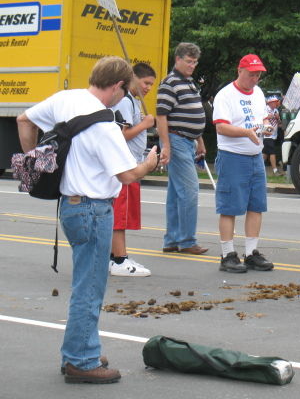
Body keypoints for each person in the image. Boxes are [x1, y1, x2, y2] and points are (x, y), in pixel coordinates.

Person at [16, 56, 159, 383]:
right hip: (94, 209)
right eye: (126, 91)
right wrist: (149, 164)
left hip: (70, 205)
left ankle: (82, 348)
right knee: (89, 288)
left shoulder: (66, 99)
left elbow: (24, 120)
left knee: (86, 283)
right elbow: (126, 175)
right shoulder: (105, 126)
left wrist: (34, 163)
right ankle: (81, 360)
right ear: (119, 87)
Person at [212, 54, 275, 273]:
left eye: (258, 75)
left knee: (256, 205)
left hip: (255, 155)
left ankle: (251, 253)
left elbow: (264, 117)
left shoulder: (258, 93)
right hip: (233, 155)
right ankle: (227, 254)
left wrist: (266, 125)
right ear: (240, 71)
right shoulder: (225, 95)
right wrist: (246, 133)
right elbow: (221, 127)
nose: (255, 79)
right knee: (229, 207)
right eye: (251, 74)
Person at [156, 42, 208, 255]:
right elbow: (161, 116)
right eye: (189, 61)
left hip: (188, 140)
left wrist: (200, 141)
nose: (192, 65)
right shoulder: (169, 83)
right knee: (189, 190)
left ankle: (172, 240)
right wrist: (166, 146)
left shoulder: (189, 82)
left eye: (195, 62)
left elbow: (193, 113)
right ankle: (187, 240)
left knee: (177, 193)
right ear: (177, 59)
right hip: (176, 140)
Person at [109, 63, 156, 277]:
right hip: (125, 166)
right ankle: (119, 259)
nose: (148, 88)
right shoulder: (125, 102)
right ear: (133, 78)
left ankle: (115, 256)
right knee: (120, 215)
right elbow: (120, 135)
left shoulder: (132, 102)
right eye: (146, 83)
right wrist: (145, 124)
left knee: (124, 215)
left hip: (132, 164)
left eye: (151, 85)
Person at [263, 96, 282, 175]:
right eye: (274, 102)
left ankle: (258, 168)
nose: (276, 103)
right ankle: (275, 170)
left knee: (265, 153)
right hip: (267, 134)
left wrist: (278, 118)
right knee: (272, 152)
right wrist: (269, 116)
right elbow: (262, 118)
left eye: (276, 101)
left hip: (274, 135)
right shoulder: (265, 109)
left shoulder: (276, 110)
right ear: (270, 102)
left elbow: (279, 122)